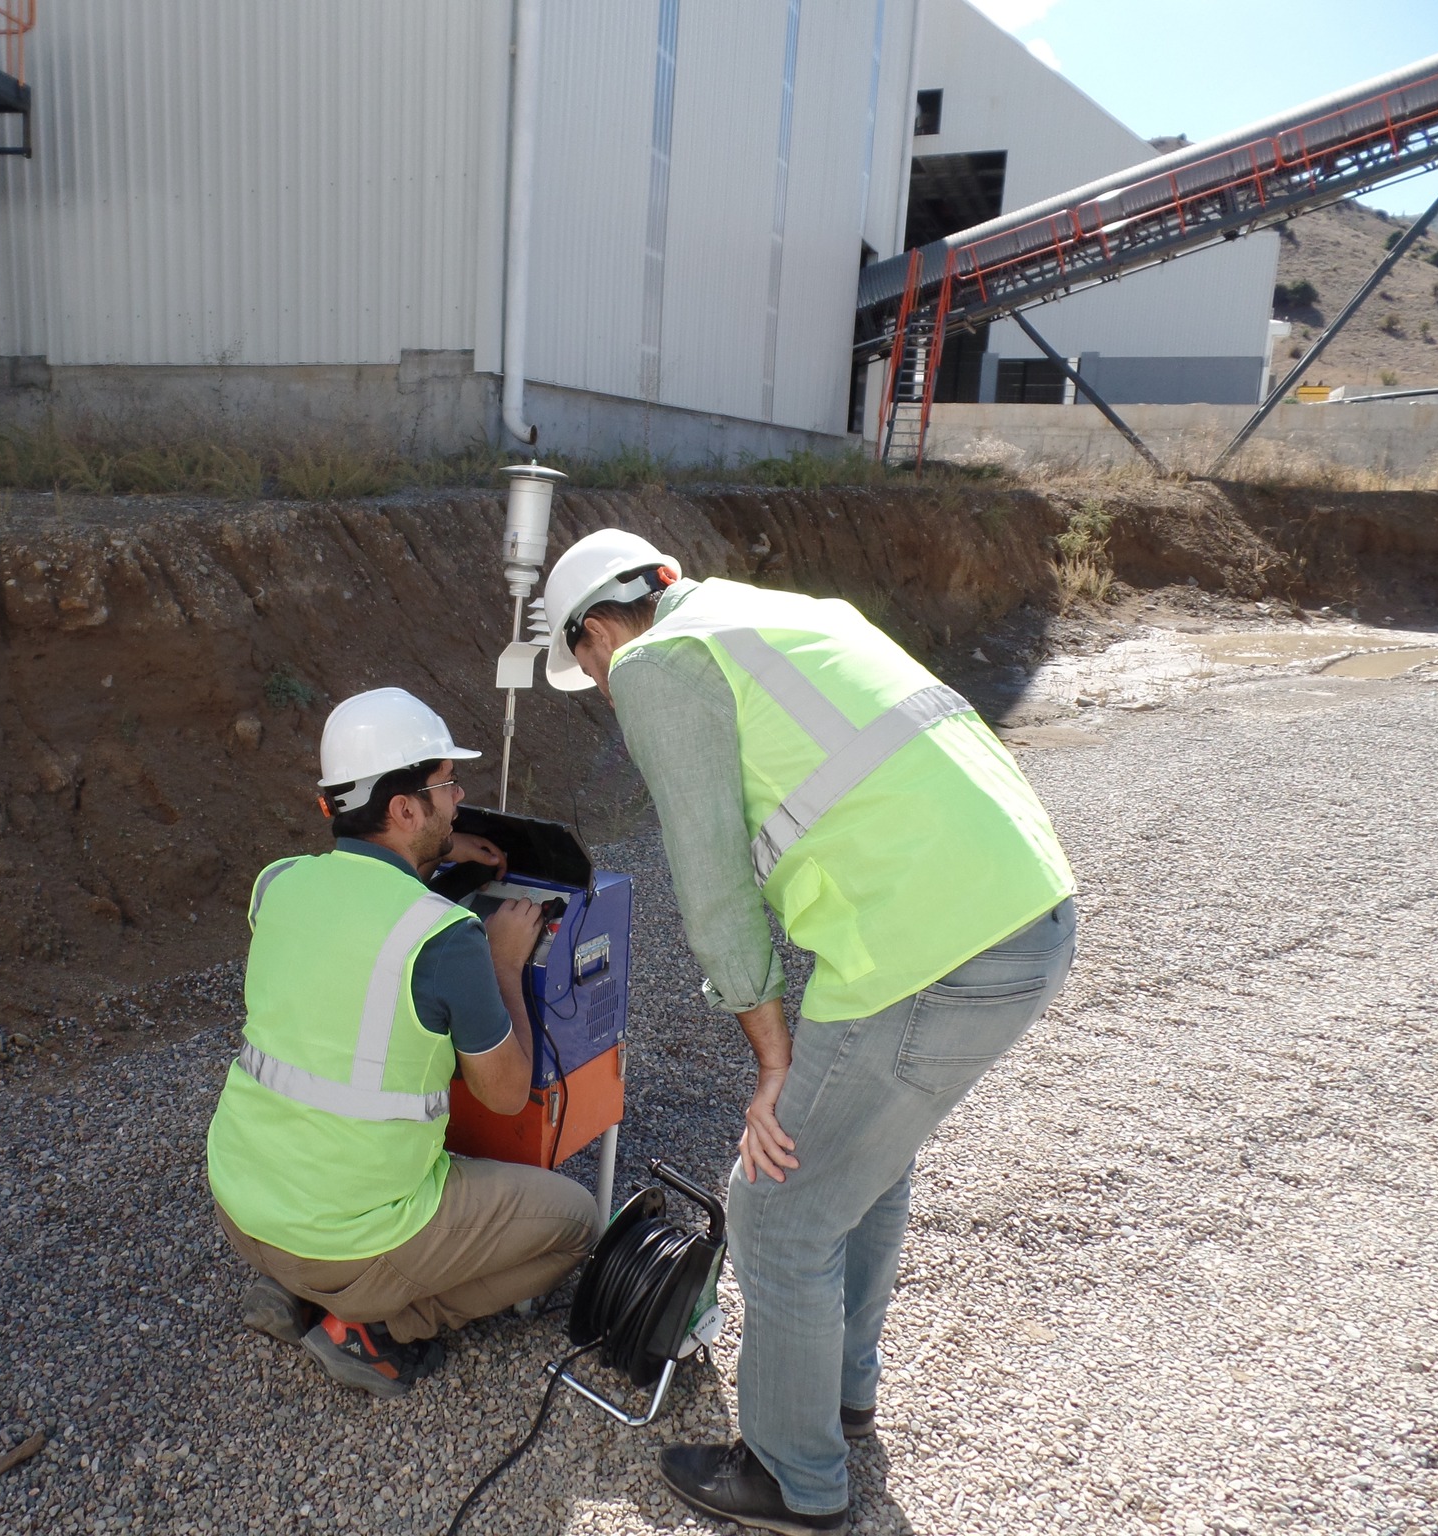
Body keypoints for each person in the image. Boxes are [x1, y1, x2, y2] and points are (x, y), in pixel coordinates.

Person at [540, 530, 1078, 1532]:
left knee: (777, 1202)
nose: (605, 693)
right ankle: (836, 1395)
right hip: (1023, 912)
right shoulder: (786, 617)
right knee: (857, 1168)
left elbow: (708, 888)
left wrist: (772, 1058)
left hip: (932, 950)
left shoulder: (659, 659)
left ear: (595, 634)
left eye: (589, 674)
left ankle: (794, 1477)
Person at [205, 687, 600, 1398]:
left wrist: (438, 864)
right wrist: (504, 961)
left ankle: (289, 1290)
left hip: (242, 1204)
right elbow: (508, 1093)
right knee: (576, 1224)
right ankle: (368, 1324)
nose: (459, 798)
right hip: (345, 1241)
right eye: (448, 786)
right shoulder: (446, 937)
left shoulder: (278, 885)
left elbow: (350, 941)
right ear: (404, 809)